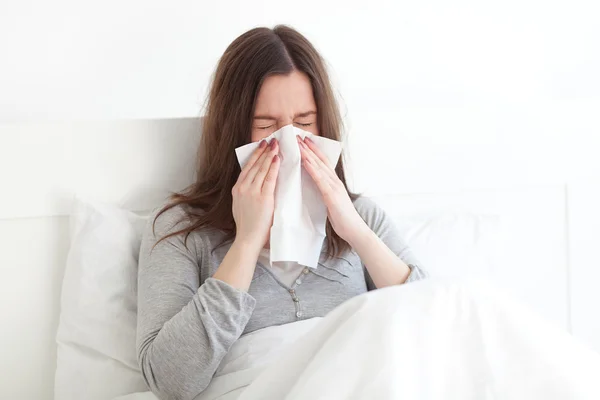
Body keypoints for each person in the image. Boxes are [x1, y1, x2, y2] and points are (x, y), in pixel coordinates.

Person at [136, 25, 427, 400]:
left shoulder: (362, 217)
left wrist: (355, 231)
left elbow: (434, 327)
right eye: (266, 125)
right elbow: (169, 381)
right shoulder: (179, 229)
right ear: (234, 129)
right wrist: (246, 242)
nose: (288, 141)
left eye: (304, 122)